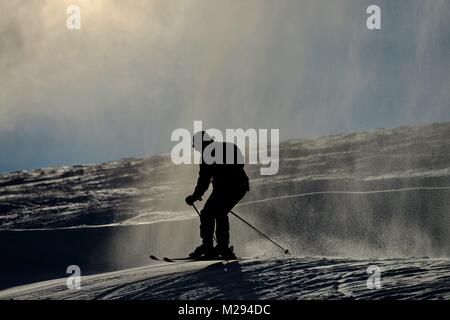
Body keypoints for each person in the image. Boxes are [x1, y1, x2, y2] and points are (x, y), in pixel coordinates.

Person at [185, 131, 250, 259]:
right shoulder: (208, 156)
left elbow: (239, 163)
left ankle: (221, 247)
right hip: (224, 189)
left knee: (218, 212)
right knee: (208, 213)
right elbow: (203, 180)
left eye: (196, 145)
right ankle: (210, 246)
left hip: (235, 187)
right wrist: (195, 196)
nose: (196, 149)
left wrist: (221, 172)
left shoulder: (225, 148)